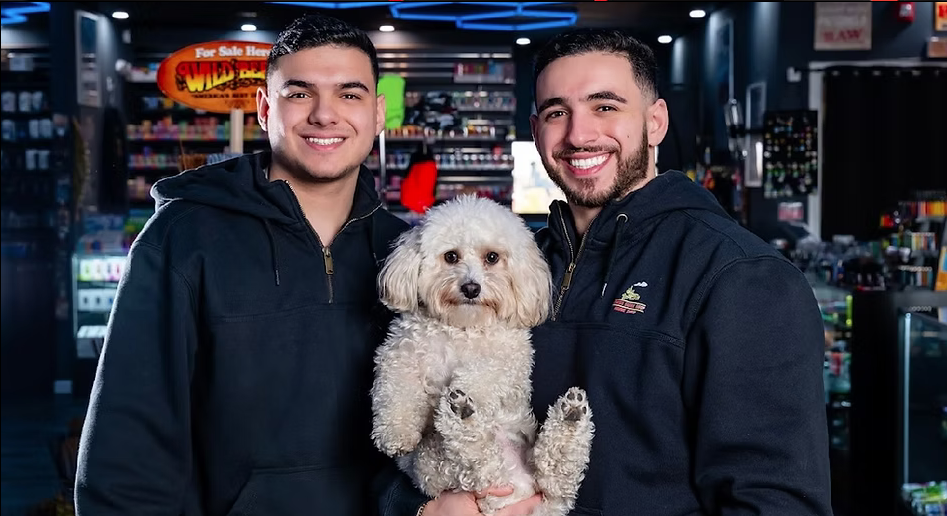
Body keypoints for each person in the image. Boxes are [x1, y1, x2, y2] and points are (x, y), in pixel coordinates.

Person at [74, 14, 413, 515]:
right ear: (264, 108)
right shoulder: (183, 240)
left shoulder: (411, 254)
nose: (325, 114)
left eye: (349, 94)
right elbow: (128, 449)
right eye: (300, 93)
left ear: (377, 112)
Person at [523, 28, 833, 515]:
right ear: (536, 129)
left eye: (605, 106)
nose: (578, 134)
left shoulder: (741, 275)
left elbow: (774, 503)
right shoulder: (513, 269)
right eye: (556, 113)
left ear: (656, 122)